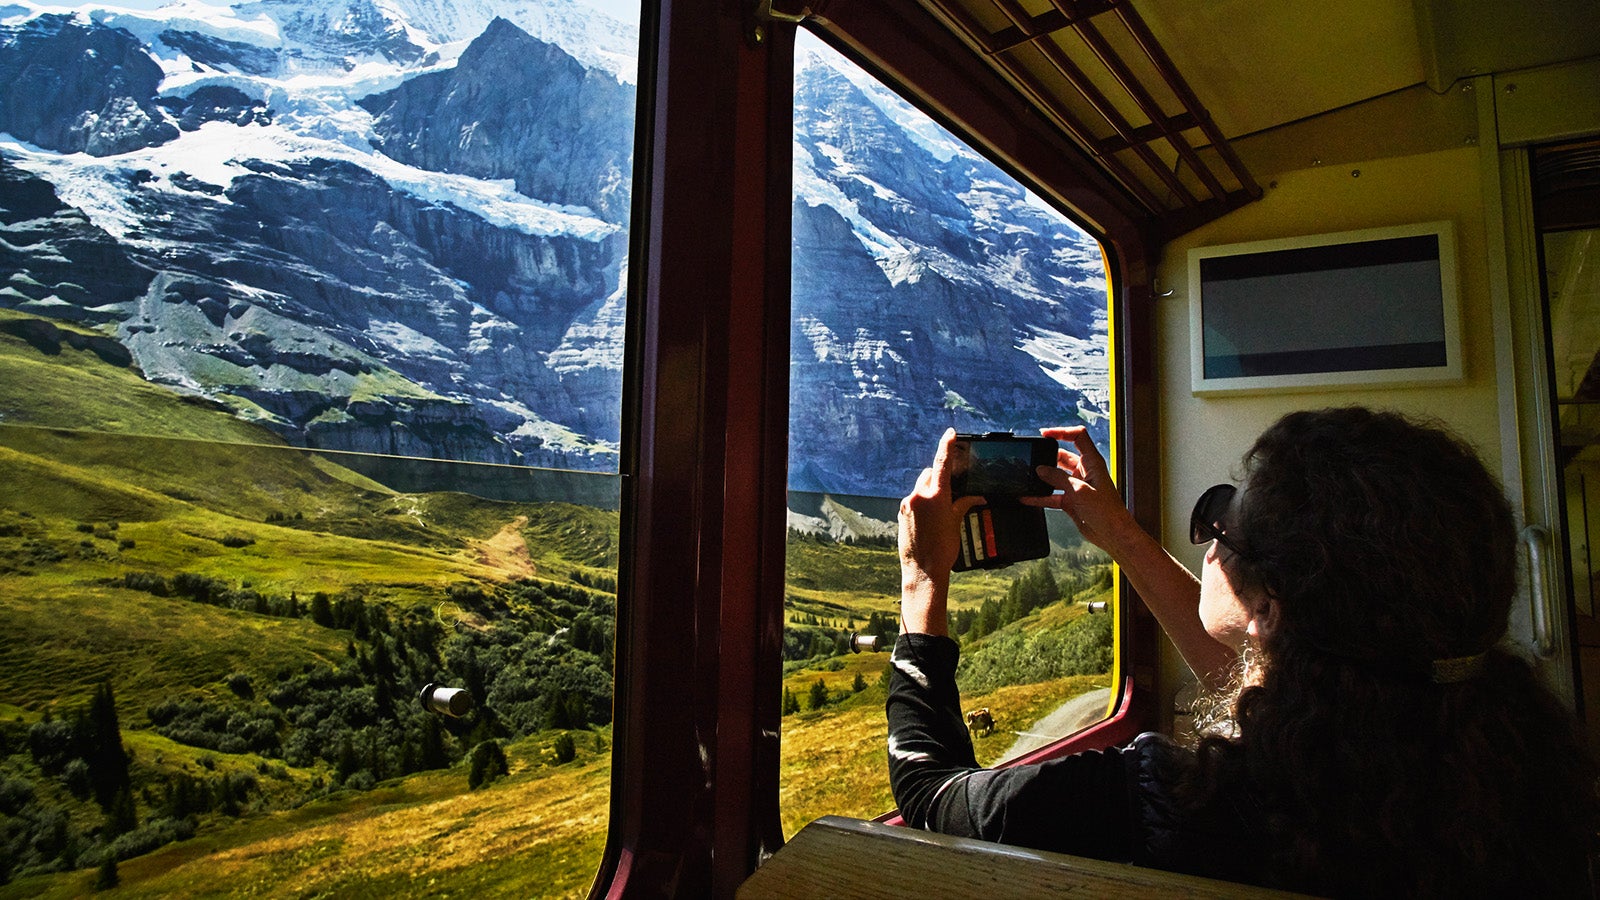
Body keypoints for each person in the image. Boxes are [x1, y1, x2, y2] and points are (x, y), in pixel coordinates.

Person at [889, 407, 1599, 896]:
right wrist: (1120, 535)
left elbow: (929, 795)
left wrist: (924, 582)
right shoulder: (1508, 766)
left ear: (1270, 606)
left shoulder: (1174, 805)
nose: (1208, 533)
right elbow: (1271, 675)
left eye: (1222, 518)